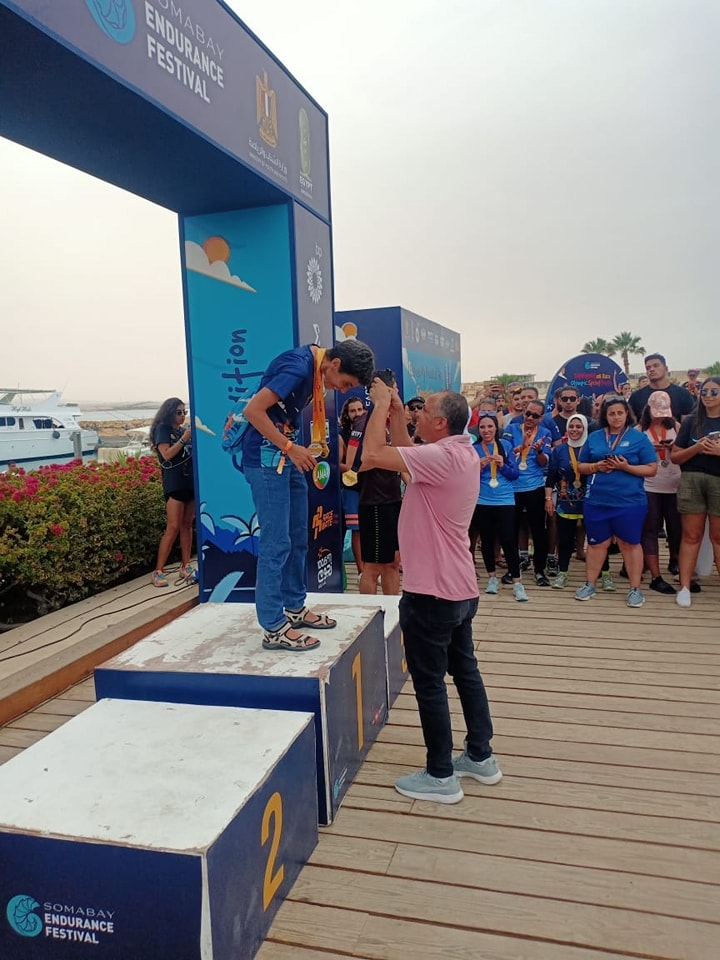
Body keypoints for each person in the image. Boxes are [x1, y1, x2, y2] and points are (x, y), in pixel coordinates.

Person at [361, 383, 502, 804]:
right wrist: (396, 412)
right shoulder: (459, 452)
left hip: (431, 594)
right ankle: (480, 756)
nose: (417, 414)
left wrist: (380, 406)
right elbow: (407, 454)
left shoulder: (440, 457)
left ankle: (441, 775)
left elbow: (373, 456)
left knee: (429, 684)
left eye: (423, 411)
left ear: (440, 423)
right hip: (459, 589)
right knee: (466, 672)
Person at [242, 339, 375, 650]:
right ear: (335, 364)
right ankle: (273, 626)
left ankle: (294, 607)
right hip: (266, 460)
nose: (344, 390)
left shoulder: (315, 367)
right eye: (346, 383)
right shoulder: (299, 367)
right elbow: (253, 411)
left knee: (297, 537)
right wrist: (290, 447)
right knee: (276, 542)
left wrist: (291, 449)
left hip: (285, 457)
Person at [575, 397, 658, 607]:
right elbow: (581, 465)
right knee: (596, 544)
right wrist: (596, 466)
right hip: (597, 501)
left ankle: (635, 588)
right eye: (611, 413)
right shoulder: (595, 437)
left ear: (627, 414)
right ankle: (590, 584)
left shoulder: (638, 438)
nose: (616, 417)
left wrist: (625, 467)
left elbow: (652, 468)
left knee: (629, 544)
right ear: (605, 416)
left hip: (629, 502)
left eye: (620, 413)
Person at [544, 414, 613, 591]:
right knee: (565, 540)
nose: (574, 430)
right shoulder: (559, 450)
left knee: (598, 539)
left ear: (585, 428)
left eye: (579, 426)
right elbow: (551, 477)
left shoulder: (592, 449)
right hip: (566, 502)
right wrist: (548, 499)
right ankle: (563, 573)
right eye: (571, 426)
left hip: (592, 501)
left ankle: (605, 574)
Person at [671, 376, 720, 607]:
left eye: (714, 392)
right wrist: (697, 447)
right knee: (691, 536)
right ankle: (684, 587)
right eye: (704, 391)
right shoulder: (691, 421)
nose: (708, 396)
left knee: (718, 537)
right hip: (691, 479)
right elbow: (675, 456)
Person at [470, 414, 526, 600]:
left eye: (490, 427)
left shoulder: (506, 446)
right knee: (486, 540)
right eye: (482, 427)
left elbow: (515, 474)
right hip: (482, 500)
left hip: (504, 500)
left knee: (509, 540)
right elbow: (467, 476)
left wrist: (502, 465)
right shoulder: (474, 449)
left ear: (496, 428)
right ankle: (492, 577)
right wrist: (477, 468)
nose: (486, 430)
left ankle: (517, 582)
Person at [503, 399, 553, 586]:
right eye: (528, 413)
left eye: (535, 415)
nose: (530, 418)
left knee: (539, 531)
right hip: (512, 488)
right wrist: (522, 447)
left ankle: (539, 571)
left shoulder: (545, 433)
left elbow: (544, 462)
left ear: (541, 418)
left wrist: (538, 452)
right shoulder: (511, 428)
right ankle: (513, 569)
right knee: (511, 530)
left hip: (534, 487)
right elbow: (505, 455)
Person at [637, 391, 682, 594]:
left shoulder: (676, 427)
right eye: (656, 413)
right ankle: (655, 573)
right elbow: (633, 456)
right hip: (650, 484)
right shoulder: (639, 430)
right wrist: (649, 449)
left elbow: (684, 450)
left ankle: (675, 560)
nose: (659, 417)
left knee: (676, 527)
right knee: (651, 528)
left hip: (674, 482)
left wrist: (673, 448)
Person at [150, 398, 196, 587]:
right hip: (174, 484)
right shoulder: (163, 429)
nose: (182, 416)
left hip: (189, 482)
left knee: (187, 525)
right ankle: (158, 571)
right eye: (178, 412)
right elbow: (167, 454)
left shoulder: (181, 431)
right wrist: (185, 439)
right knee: (173, 526)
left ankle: (186, 566)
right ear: (169, 412)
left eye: (184, 412)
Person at [338, 396, 366, 575]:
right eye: (352, 410)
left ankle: (371, 570)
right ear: (347, 414)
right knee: (357, 529)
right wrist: (351, 470)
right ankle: (361, 570)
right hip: (352, 487)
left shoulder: (370, 431)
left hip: (371, 486)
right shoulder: (342, 435)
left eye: (359, 409)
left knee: (369, 528)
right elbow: (337, 463)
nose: (357, 414)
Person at [629, 353, 695, 422]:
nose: (651, 369)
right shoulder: (636, 397)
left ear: (666, 369)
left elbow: (687, 424)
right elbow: (632, 424)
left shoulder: (683, 394)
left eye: (656, 366)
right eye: (648, 368)